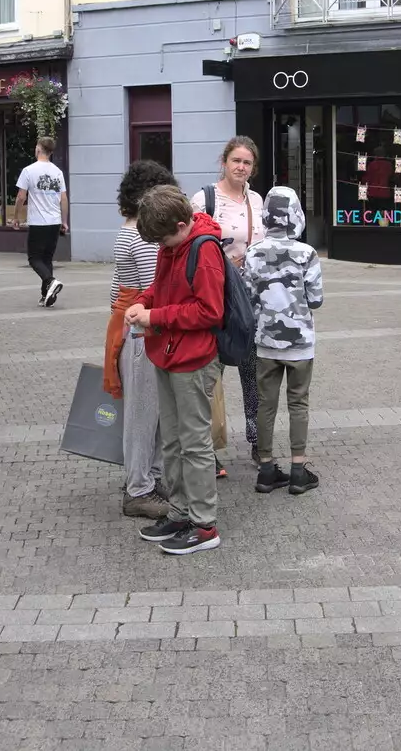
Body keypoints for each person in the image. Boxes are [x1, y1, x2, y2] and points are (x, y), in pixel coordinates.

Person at [125, 185, 227, 555]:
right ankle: (181, 512)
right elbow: (160, 287)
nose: (161, 248)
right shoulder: (173, 245)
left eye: (165, 240)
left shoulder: (204, 251)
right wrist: (142, 302)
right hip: (167, 353)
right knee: (171, 439)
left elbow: (209, 311)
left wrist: (155, 316)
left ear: (183, 224)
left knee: (195, 443)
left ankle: (204, 525)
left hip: (193, 359)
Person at [103, 160, 179, 520]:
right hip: (142, 332)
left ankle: (148, 479)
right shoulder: (141, 235)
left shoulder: (127, 228)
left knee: (148, 412)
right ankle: (139, 488)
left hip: (128, 327)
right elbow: (155, 288)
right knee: (144, 415)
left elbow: (117, 290)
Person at [191, 137, 265, 476]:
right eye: (236, 160)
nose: (241, 167)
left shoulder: (257, 200)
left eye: (247, 163)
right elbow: (192, 247)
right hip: (217, 301)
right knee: (211, 377)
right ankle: (211, 449)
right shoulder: (204, 199)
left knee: (254, 374)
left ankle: (257, 441)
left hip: (249, 302)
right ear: (224, 161)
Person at [244, 187, 324, 496]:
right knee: (298, 403)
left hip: (265, 342)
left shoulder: (253, 252)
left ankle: (265, 470)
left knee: (266, 405)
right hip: (300, 343)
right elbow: (316, 301)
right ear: (296, 215)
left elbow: (249, 300)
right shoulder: (307, 253)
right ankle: (298, 471)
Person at [11, 137, 69, 307]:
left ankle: (50, 281)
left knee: (34, 258)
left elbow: (21, 196)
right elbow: (63, 198)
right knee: (47, 258)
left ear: (38, 149)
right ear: (51, 152)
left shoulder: (29, 171)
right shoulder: (58, 172)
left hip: (38, 222)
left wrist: (16, 217)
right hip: (54, 221)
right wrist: (64, 221)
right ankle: (46, 296)